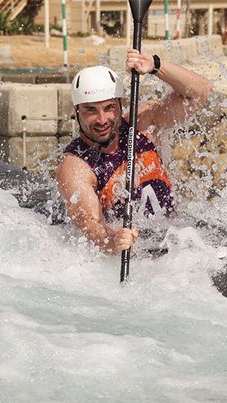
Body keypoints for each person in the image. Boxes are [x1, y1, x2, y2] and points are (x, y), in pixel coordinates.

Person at [54, 49, 213, 255]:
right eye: (91, 110)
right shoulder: (75, 167)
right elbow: (92, 227)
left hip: (178, 237)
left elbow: (201, 92)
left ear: (120, 105)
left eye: (109, 107)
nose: (102, 120)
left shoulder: (144, 122)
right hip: (140, 255)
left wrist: (156, 65)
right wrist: (114, 240)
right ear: (77, 111)